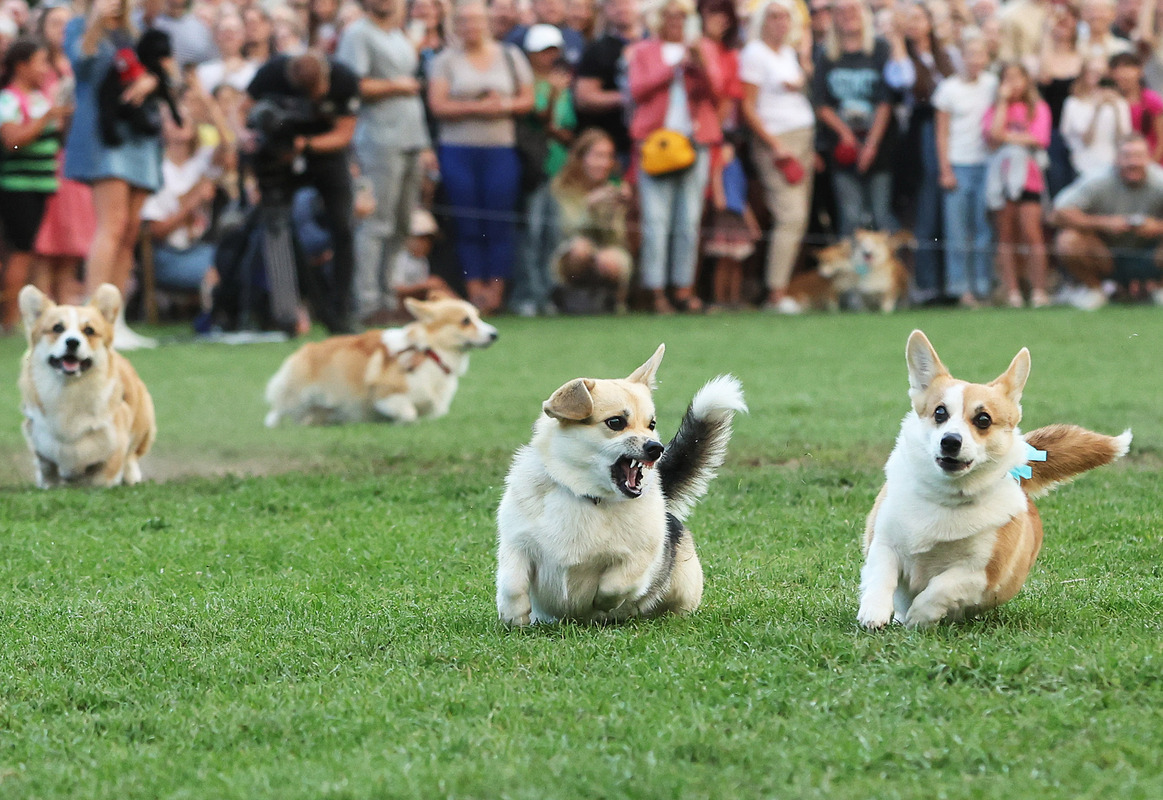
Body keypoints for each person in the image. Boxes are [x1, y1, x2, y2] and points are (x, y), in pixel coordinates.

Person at [64, 0, 166, 350]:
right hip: (104, 137)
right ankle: (90, 319)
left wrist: (151, 80)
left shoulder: (134, 31)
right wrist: (94, 21)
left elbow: (159, 68)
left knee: (130, 229)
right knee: (112, 223)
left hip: (139, 137)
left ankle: (115, 320)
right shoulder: (78, 26)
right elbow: (82, 68)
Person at [426, 0, 534, 313]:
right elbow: (438, 105)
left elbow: (526, 99)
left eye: (476, 20)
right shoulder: (446, 60)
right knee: (468, 221)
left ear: (487, 22)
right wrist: (477, 108)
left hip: (500, 150)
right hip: (458, 150)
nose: (471, 27)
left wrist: (501, 107)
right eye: (464, 21)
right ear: (455, 25)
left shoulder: (510, 56)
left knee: (499, 221)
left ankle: (496, 291)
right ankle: (475, 293)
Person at [246, 49, 361, 332]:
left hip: (326, 154)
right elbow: (244, 110)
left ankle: (342, 307)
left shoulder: (344, 78)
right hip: (278, 157)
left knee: (343, 227)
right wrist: (249, 137)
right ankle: (287, 310)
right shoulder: (271, 73)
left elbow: (345, 133)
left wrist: (304, 145)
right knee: (277, 230)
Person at [337, 0, 433, 325]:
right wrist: (396, 85)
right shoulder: (357, 34)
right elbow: (351, 84)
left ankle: (389, 295)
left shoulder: (397, 33)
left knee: (403, 224)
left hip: (411, 137)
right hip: (378, 139)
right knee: (376, 223)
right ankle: (368, 301)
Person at [628, 0, 724, 313]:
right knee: (655, 220)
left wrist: (700, 63)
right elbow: (638, 90)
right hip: (657, 144)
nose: (675, 21)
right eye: (669, 15)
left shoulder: (702, 49)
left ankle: (683, 288)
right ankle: (655, 291)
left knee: (689, 220)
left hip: (694, 142)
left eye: (681, 16)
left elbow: (717, 92)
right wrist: (673, 69)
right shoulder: (644, 51)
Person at [739, 0, 815, 313]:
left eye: (785, 16)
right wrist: (773, 144)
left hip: (802, 137)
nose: (780, 22)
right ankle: (775, 292)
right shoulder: (754, 53)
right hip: (778, 142)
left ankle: (781, 287)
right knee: (790, 215)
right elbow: (747, 106)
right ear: (762, 21)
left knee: (800, 218)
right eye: (773, 16)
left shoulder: (787, 52)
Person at [885, 2, 955, 302]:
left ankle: (950, 282)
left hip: (953, 132)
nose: (914, 24)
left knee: (947, 210)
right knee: (926, 208)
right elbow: (902, 81)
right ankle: (926, 284)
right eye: (908, 20)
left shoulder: (947, 56)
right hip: (921, 134)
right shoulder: (902, 58)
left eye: (918, 18)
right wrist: (897, 41)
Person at [0, 38, 70, 332]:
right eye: (41, 62)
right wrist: (45, 120)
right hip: (17, 187)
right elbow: (12, 143)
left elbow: (55, 140)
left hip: (39, 187)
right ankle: (9, 321)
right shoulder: (9, 99)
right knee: (18, 252)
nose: (45, 69)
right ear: (21, 65)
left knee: (23, 252)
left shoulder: (41, 99)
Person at [813, 0, 897, 236]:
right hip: (842, 145)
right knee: (850, 215)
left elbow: (886, 101)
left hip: (879, 143)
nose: (847, 15)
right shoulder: (825, 53)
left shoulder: (880, 48)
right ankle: (852, 272)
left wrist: (871, 144)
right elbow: (821, 103)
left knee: (880, 215)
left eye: (853, 9)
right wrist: (845, 134)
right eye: (840, 11)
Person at [1052, 133, 1163, 307]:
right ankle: (1094, 290)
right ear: (1116, 159)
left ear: (1148, 158)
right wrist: (1105, 223)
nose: (1133, 162)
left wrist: (1157, 227)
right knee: (1068, 240)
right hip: (1105, 254)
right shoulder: (1098, 179)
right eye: (1127, 156)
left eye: (1138, 156)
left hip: (1149, 254)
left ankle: (1159, 289)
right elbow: (1058, 213)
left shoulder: (1160, 180)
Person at [510, 23, 575, 316]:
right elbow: (539, 122)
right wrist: (552, 98)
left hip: (558, 169)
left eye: (554, 50)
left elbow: (566, 130)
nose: (550, 56)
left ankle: (546, 297)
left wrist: (553, 127)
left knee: (551, 236)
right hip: (534, 170)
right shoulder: (526, 84)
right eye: (543, 51)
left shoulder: (563, 84)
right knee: (532, 235)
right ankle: (527, 296)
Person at [31, 2, 93, 307]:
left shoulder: (80, 65)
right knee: (45, 246)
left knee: (71, 246)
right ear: (42, 27)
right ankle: (40, 313)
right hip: (44, 160)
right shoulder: (34, 68)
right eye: (55, 22)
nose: (62, 29)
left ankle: (67, 314)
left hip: (76, 159)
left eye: (68, 23)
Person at [934, 33, 998, 307]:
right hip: (959, 164)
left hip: (987, 163)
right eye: (969, 54)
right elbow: (942, 133)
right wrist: (945, 169)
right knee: (957, 231)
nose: (974, 60)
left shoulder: (993, 84)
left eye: (979, 54)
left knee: (983, 230)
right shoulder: (948, 89)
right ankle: (961, 288)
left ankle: (983, 286)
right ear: (960, 56)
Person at [984, 61, 1052, 308]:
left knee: (1032, 233)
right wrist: (1002, 103)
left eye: (1017, 77)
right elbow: (993, 135)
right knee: (1006, 235)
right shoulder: (994, 108)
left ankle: (1039, 291)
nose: (1012, 83)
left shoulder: (1039, 108)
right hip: (1001, 178)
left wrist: (1006, 137)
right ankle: (1012, 292)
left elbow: (1040, 138)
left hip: (1029, 177)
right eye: (1007, 78)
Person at [549, 128, 633, 313]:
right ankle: (561, 302)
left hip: (603, 253)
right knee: (580, 248)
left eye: (608, 156)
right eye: (597, 156)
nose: (604, 163)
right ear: (581, 158)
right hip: (567, 255)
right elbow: (564, 231)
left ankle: (614, 303)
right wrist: (589, 206)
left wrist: (616, 210)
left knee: (612, 258)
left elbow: (617, 240)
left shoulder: (613, 188)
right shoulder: (563, 186)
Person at [573, 0, 644, 165]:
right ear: (605, 10)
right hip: (615, 147)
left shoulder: (653, 42)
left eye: (627, 3)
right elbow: (584, 98)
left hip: (653, 141)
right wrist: (629, 96)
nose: (622, 8)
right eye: (614, 4)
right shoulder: (597, 49)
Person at [1061, 57, 1132, 176]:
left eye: (1102, 73)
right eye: (1093, 72)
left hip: (1113, 166)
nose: (1097, 76)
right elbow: (1084, 140)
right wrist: (1097, 110)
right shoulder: (1073, 103)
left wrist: (1115, 108)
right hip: (1083, 166)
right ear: (1084, 74)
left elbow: (1124, 138)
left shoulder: (1120, 103)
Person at [1109, 51, 1163, 161]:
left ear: (1139, 71)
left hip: (1149, 161)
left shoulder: (1152, 100)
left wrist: (1150, 166)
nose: (1122, 73)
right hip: (1120, 162)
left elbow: (1161, 140)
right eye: (1117, 69)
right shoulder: (1111, 101)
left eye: (1128, 67)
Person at [195, 9, 258, 93]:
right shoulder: (202, 71)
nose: (229, 36)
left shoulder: (255, 70)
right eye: (224, 31)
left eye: (234, 31)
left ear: (244, 35)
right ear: (215, 35)